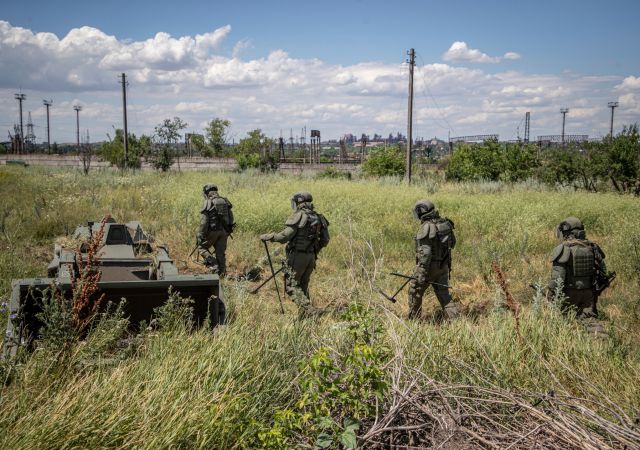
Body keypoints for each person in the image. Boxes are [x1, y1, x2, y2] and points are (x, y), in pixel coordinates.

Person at [260, 192, 330, 317]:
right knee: (303, 285)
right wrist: (313, 250)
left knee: (291, 286)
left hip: (298, 256)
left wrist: (270, 236)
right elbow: (325, 240)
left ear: (298, 203)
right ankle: (306, 316)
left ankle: (310, 311)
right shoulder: (319, 217)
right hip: (311, 257)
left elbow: (284, 237)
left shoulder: (300, 216)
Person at [548, 216, 608, 334]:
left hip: (569, 293)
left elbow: (557, 278)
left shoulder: (564, 248)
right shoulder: (592, 247)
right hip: (588, 293)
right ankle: (600, 343)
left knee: (563, 323)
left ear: (565, 232)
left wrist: (550, 295)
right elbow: (603, 272)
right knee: (590, 320)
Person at [407, 200, 459, 320]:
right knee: (443, 293)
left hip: (430, 267)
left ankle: (413, 322)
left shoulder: (426, 227)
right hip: (444, 266)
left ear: (421, 212)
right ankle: (455, 320)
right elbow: (453, 243)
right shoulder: (445, 223)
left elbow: (425, 255)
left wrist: (420, 274)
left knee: (414, 290)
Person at [197, 183, 234, 276]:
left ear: (206, 193)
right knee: (220, 253)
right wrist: (228, 230)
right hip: (224, 232)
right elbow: (231, 218)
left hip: (213, 231)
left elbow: (204, 222)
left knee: (201, 248)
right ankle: (222, 274)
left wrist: (200, 235)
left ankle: (214, 266)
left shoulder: (208, 202)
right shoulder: (225, 201)